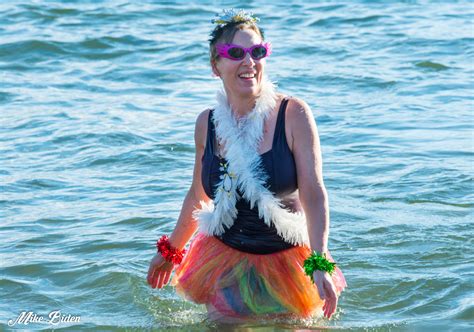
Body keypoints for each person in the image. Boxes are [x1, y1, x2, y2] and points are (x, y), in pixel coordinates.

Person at [147, 8, 347, 323]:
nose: (249, 61)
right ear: (216, 64)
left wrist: (320, 260)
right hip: (224, 258)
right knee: (221, 325)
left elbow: (314, 192)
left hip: (287, 260)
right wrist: (171, 250)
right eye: (236, 52)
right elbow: (199, 195)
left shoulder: (292, 114)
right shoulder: (207, 123)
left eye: (257, 51)